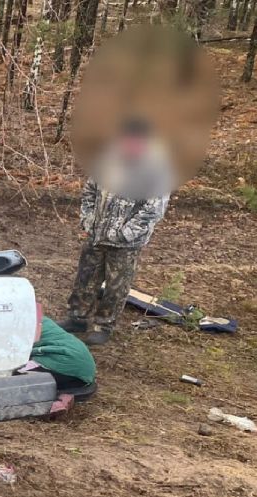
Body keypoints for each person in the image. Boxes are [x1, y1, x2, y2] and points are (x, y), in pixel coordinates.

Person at [62, 121, 170, 346]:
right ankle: (77, 318)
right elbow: (90, 190)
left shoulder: (156, 168)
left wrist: (125, 234)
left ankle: (104, 325)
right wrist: (88, 220)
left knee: (116, 285)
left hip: (125, 243)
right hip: (97, 233)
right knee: (86, 277)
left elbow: (154, 209)